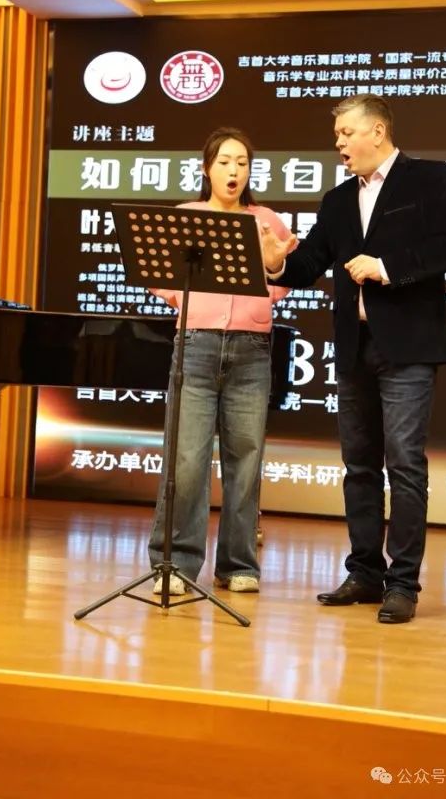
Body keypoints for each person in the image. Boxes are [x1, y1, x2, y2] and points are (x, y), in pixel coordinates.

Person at [261, 94, 446, 623]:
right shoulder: (337, 199)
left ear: (377, 132)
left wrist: (386, 266)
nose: (339, 143)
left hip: (409, 347)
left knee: (404, 464)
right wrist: (276, 264)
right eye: (337, 135)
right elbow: (310, 261)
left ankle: (403, 584)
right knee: (358, 465)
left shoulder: (429, 178)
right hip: (354, 348)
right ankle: (364, 573)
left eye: (346, 133)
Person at [148, 127, 290, 595]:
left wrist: (274, 266)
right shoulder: (186, 217)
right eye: (225, 161)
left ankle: (237, 565)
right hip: (197, 345)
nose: (234, 171)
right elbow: (159, 275)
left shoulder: (265, 219)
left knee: (245, 460)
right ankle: (174, 565)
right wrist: (186, 300)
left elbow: (285, 278)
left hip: (251, 351)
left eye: (243, 163)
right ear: (206, 168)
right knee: (186, 459)